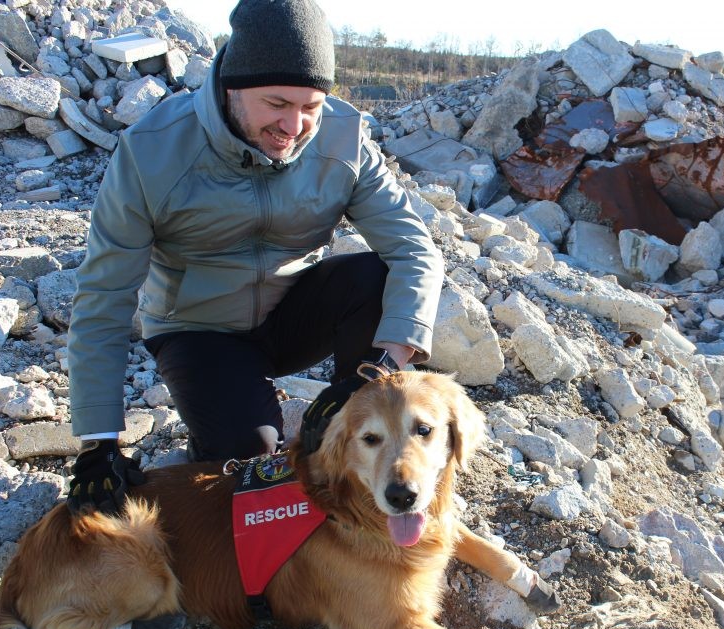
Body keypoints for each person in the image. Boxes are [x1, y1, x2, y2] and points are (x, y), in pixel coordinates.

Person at [64, 0, 444, 514]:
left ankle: (358, 427)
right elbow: (103, 298)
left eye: (311, 105)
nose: (294, 125)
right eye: (276, 103)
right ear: (231, 86)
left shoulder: (343, 137)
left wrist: (375, 373)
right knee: (252, 469)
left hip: (292, 314)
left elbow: (415, 250)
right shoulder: (151, 153)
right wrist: (99, 442)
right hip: (200, 330)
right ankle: (230, 427)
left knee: (375, 276)